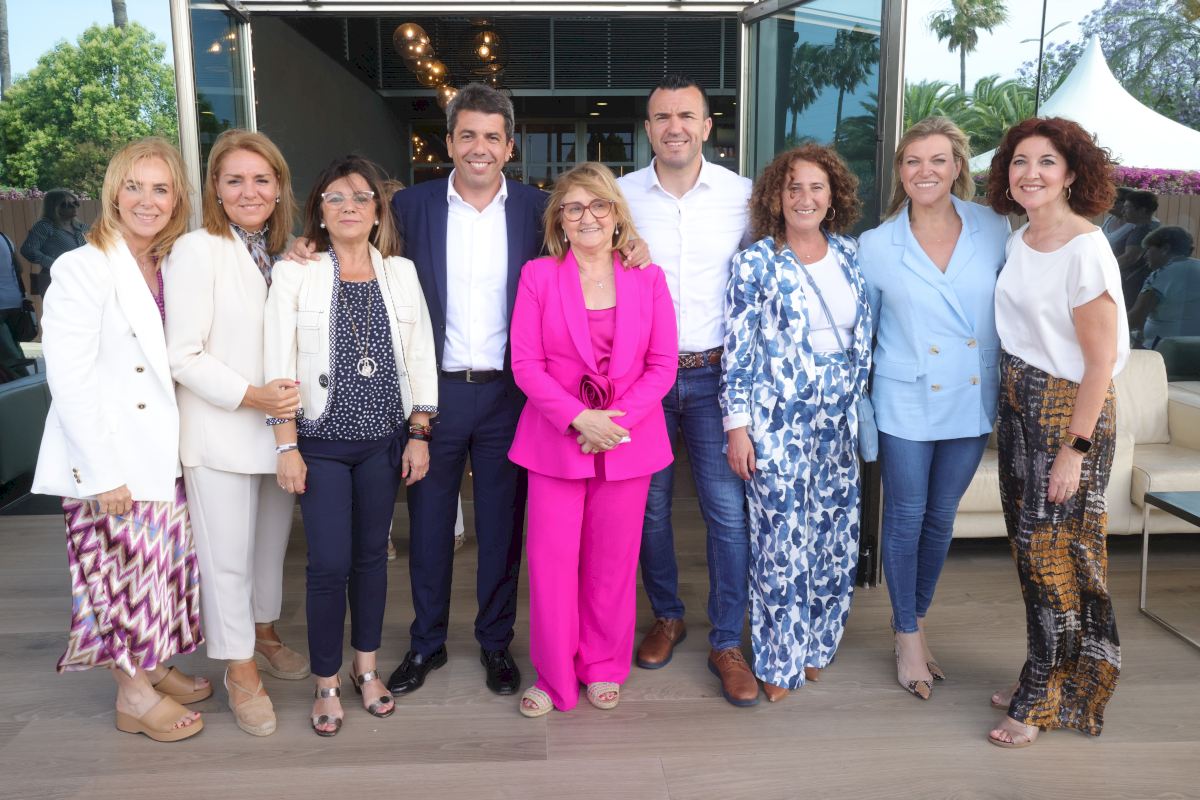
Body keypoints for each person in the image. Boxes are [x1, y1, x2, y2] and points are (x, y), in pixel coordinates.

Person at [31, 137, 209, 742]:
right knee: (113, 581)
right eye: (134, 187)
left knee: (154, 575)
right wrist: (102, 473)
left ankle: (152, 667)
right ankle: (132, 695)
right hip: (110, 460)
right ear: (113, 194)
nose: (146, 200)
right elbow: (70, 380)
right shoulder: (82, 267)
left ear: (177, 198)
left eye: (160, 188)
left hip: (161, 452)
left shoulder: (168, 263)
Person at [266, 155, 437, 736]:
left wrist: (418, 433)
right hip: (320, 444)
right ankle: (326, 681)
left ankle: (366, 668)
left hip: (384, 443)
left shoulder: (401, 272)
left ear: (377, 209)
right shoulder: (296, 272)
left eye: (361, 196)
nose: (348, 206)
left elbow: (420, 354)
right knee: (328, 563)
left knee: (370, 557)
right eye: (335, 197)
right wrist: (285, 446)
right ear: (319, 210)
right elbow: (278, 364)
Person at [509, 162, 678, 716]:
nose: (588, 217)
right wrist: (581, 419)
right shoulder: (538, 276)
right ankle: (554, 677)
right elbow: (526, 364)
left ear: (616, 215)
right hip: (557, 440)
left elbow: (662, 364)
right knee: (552, 565)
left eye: (599, 205)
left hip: (627, 442)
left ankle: (603, 666)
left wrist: (613, 424)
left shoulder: (648, 278)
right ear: (559, 219)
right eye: (575, 207)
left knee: (612, 566)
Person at [986, 117, 1129, 748]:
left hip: (1068, 410)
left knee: (1052, 556)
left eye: (1047, 162)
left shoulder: (1086, 249)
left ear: (1071, 173)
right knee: (1032, 554)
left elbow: (1099, 363)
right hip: (1020, 402)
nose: (1031, 173)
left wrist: (1075, 450)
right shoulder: (1021, 238)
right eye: (1020, 161)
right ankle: (1045, 674)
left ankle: (1047, 697)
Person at [618, 74, 760, 707]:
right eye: (661, 117)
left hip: (716, 376)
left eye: (686, 116)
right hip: (643, 378)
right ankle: (667, 615)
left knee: (726, 512)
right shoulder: (619, 197)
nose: (674, 126)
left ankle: (726, 639)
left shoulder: (744, 197)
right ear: (648, 129)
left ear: (706, 126)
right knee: (648, 509)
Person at [857, 117, 1010, 700]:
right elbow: (863, 336)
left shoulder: (993, 227)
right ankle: (907, 635)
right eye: (913, 161)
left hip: (971, 392)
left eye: (938, 160)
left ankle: (914, 619)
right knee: (905, 515)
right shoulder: (876, 245)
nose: (925, 171)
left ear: (957, 167)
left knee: (942, 516)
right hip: (905, 395)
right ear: (900, 170)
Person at [164, 129, 307, 738]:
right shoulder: (197, 250)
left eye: (261, 179)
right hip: (222, 430)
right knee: (226, 560)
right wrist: (252, 396)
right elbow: (182, 354)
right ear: (216, 191)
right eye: (234, 180)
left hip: (279, 434)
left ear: (279, 188)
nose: (249, 191)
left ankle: (264, 632)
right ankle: (239, 667)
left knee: (270, 547)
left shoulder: (284, 254)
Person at [722, 144, 872, 703]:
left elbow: (861, 338)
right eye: (793, 188)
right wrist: (737, 427)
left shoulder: (850, 254)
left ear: (833, 196)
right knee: (780, 540)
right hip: (777, 420)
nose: (804, 198)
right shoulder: (756, 262)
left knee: (833, 537)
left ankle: (815, 646)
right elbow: (738, 353)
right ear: (775, 198)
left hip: (839, 420)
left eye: (816, 187)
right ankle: (778, 658)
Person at [1129, 225, 1200, 345]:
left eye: (1148, 249)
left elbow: (1135, 319)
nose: (1145, 255)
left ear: (1165, 249)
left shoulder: (1162, 274)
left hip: (1165, 349)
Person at [20, 188, 88, 293]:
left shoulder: (82, 228)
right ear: (54, 207)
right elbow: (28, 250)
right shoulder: (45, 226)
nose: (74, 207)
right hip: (56, 280)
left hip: (83, 279)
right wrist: (56, 264)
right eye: (66, 204)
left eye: (75, 203)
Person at [1112, 189, 1159, 309]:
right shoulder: (1149, 227)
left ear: (1142, 210)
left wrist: (1104, 269)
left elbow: (1130, 258)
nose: (1123, 211)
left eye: (1127, 207)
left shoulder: (1142, 231)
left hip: (1134, 286)